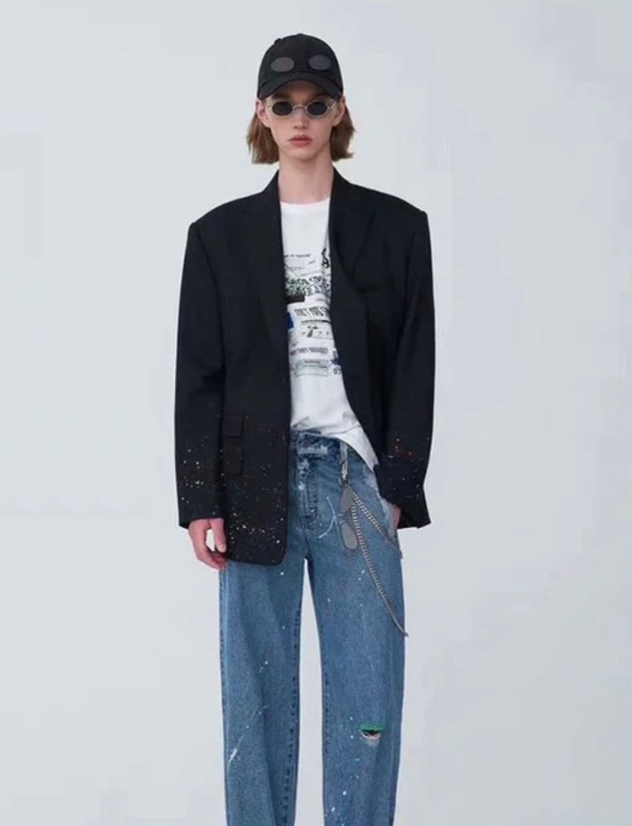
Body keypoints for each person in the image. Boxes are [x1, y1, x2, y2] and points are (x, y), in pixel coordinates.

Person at [174, 32, 435, 826]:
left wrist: (397, 485)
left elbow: (415, 362)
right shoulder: (217, 238)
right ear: (261, 112)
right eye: (284, 105)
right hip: (254, 479)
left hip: (357, 483)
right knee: (254, 701)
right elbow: (200, 375)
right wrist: (200, 499)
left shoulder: (397, 228)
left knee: (367, 698)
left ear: (339, 111)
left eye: (316, 105)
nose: (300, 119)